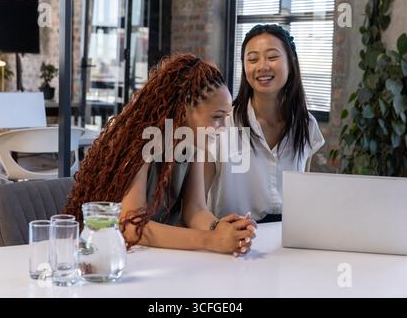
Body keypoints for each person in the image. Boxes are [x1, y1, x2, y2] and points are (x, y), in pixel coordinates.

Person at [65, 53, 256, 256]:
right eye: (216, 117)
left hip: (157, 256)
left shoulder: (192, 144)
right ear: (183, 109)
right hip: (110, 256)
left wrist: (221, 228)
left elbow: (195, 210)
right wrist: (212, 240)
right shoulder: (139, 141)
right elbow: (131, 227)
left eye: (224, 118)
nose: (222, 128)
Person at [206, 24, 325, 223]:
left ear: (291, 62)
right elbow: (196, 207)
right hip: (232, 241)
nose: (262, 66)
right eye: (252, 59)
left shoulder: (306, 125)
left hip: (286, 242)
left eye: (272, 57)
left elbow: (303, 197)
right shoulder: (222, 124)